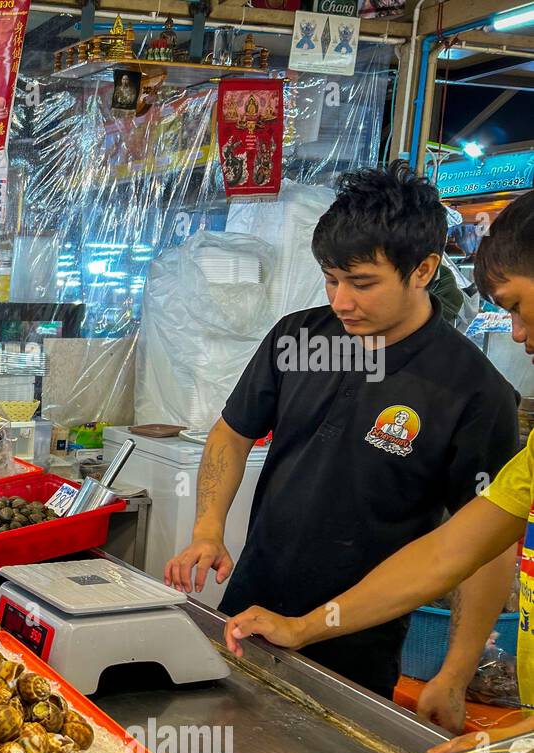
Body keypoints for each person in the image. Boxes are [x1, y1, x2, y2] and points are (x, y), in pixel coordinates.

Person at [164, 162, 519, 723]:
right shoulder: (297, 338)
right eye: (331, 279)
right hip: (248, 612)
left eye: (363, 283)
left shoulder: (474, 392)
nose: (342, 301)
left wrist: (453, 674)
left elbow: (485, 547)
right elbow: (231, 434)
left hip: (357, 649)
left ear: (423, 269)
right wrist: (208, 529)